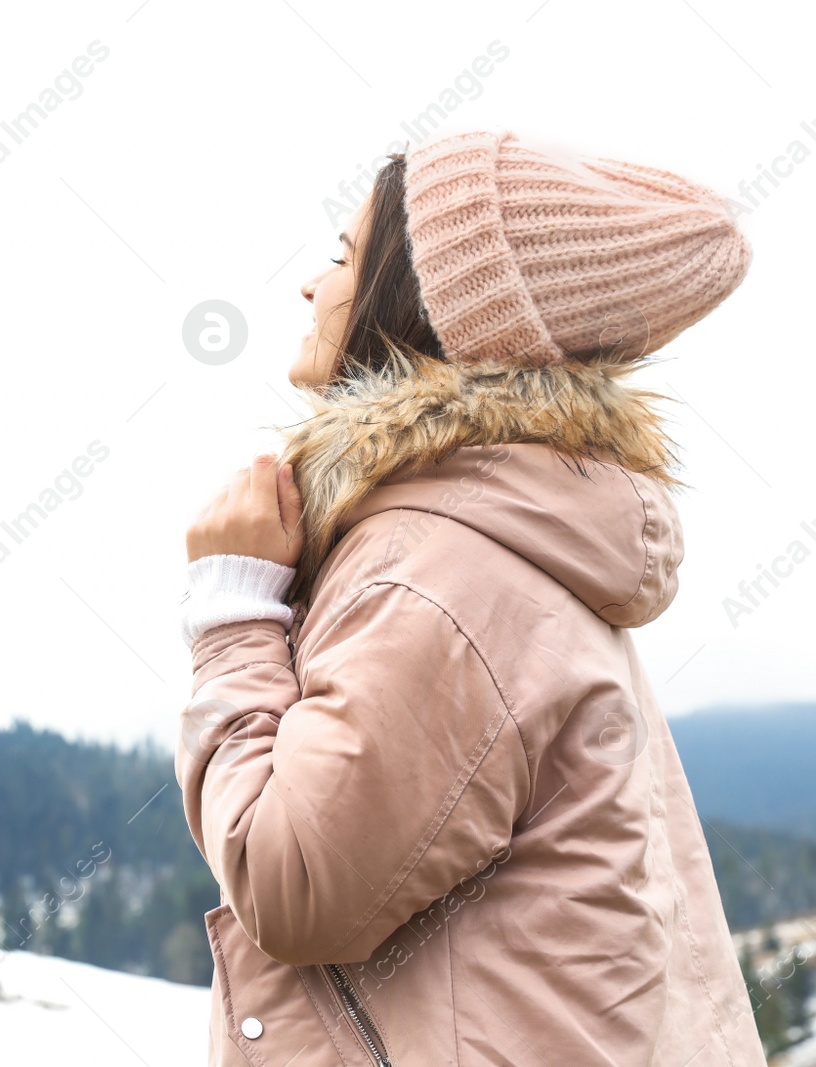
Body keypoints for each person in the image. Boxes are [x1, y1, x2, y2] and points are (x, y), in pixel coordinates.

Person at [175, 129, 765, 1066]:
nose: (309, 285)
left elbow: (292, 880)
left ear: (421, 305)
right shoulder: (505, 535)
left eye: (343, 257)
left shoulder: (440, 573)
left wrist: (233, 614)